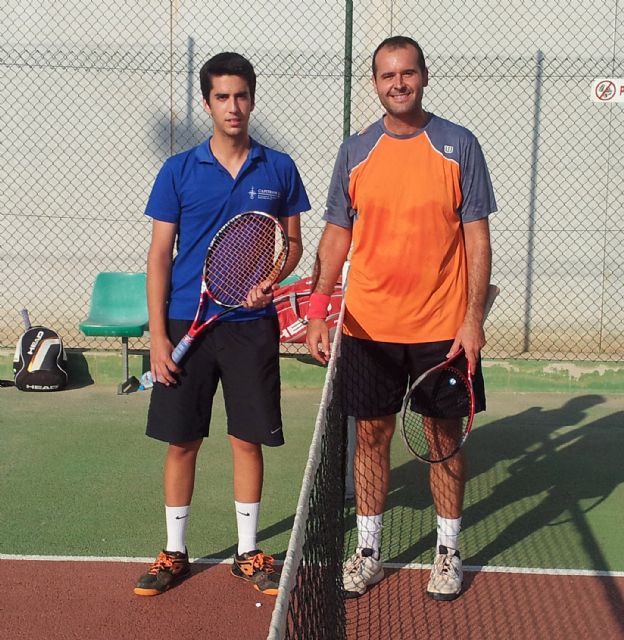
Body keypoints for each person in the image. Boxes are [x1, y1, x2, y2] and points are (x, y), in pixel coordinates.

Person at [306, 36, 496, 601]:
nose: (398, 83)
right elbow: (337, 234)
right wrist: (318, 309)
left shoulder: (459, 145)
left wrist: (473, 319)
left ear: (424, 76)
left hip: (442, 329)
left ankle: (447, 551)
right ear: (375, 83)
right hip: (367, 327)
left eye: (407, 73)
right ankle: (368, 550)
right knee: (370, 437)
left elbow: (478, 240)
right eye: (387, 75)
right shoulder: (355, 151)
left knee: (443, 441)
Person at [134, 52, 310, 597]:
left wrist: (272, 278)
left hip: (251, 322)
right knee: (182, 440)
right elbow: (160, 255)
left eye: (241, 95)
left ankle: (248, 553)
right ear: (207, 103)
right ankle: (175, 553)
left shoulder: (278, 167)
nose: (233, 106)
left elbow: (293, 243)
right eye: (222, 97)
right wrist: (160, 336)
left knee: (245, 439)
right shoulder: (178, 170)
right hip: (189, 318)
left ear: (252, 98)